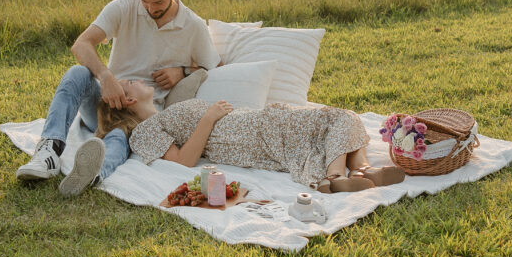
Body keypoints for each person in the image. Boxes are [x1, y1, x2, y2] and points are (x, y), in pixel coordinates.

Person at [16, 0, 220, 195]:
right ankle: (48, 154)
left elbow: (214, 66)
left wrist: (182, 71)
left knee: (118, 134)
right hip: (105, 102)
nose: (150, 8)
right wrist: (105, 77)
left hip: (140, 114)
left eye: (158, 2)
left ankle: (93, 173)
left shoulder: (192, 26)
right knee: (78, 73)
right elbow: (81, 44)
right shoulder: (124, 8)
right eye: (144, 0)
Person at [106, 80, 405, 192]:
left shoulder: (165, 111)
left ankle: (356, 172)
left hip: (249, 124)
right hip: (241, 135)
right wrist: (208, 118)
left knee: (335, 124)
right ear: (128, 101)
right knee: (339, 118)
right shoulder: (143, 132)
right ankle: (339, 174)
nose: (135, 80)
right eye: (129, 83)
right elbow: (183, 162)